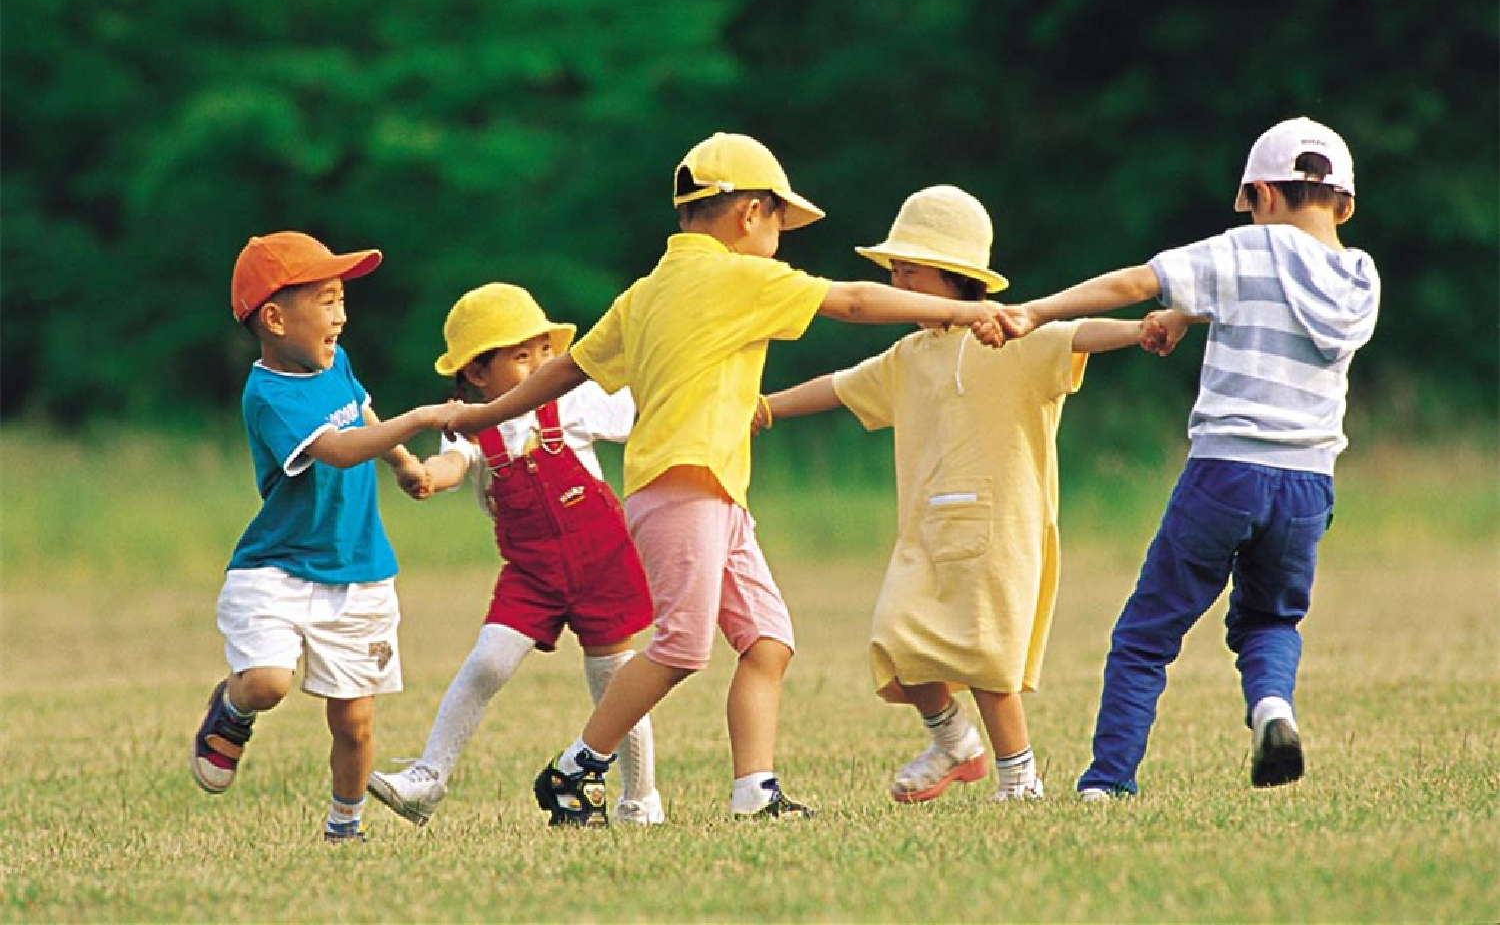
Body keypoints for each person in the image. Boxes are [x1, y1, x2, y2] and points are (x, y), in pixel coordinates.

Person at [445, 132, 1006, 826]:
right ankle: (575, 767)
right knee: (680, 648)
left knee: (768, 641)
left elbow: (570, 368)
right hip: (685, 486)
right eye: (779, 221)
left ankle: (755, 791)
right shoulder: (740, 276)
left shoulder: (645, 292)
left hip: (709, 492)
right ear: (749, 214)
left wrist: (489, 412)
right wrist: (962, 309)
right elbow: (855, 302)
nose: (780, 236)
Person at [986, 117, 1380, 797]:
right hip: (1309, 483)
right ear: (1343, 204)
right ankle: (1273, 709)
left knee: (1146, 634)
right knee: (1270, 620)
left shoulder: (1244, 250)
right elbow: (1278, 298)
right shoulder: (1359, 279)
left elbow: (1135, 283)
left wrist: (1035, 313)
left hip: (1226, 472)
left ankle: (1108, 781)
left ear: (1260, 194)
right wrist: (1190, 315)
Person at [758, 185, 1146, 805]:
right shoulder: (909, 355)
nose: (898, 284)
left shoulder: (1015, 334)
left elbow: (1077, 335)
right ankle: (954, 743)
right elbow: (837, 386)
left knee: (988, 661)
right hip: (927, 533)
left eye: (910, 272)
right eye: (894, 274)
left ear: (956, 276)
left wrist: (1141, 328)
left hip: (1001, 531)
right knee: (897, 643)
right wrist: (765, 409)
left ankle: (1020, 779)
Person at [191, 230, 455, 842]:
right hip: (276, 567)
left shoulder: (334, 362)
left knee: (355, 724)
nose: (342, 314)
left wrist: (405, 463)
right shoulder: (268, 395)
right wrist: (418, 420)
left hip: (358, 568)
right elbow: (336, 450)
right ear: (278, 319)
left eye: (342, 299)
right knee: (266, 682)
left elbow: (361, 415)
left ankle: (345, 828)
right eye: (328, 299)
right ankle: (231, 710)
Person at [367, 283, 663, 827]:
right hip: (531, 573)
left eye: (544, 351)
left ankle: (640, 800)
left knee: (615, 683)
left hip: (602, 560)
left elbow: (644, 409)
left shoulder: (572, 398)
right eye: (521, 356)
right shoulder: (469, 429)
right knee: (488, 661)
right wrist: (423, 476)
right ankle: (429, 779)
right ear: (478, 375)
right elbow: (449, 469)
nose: (541, 364)